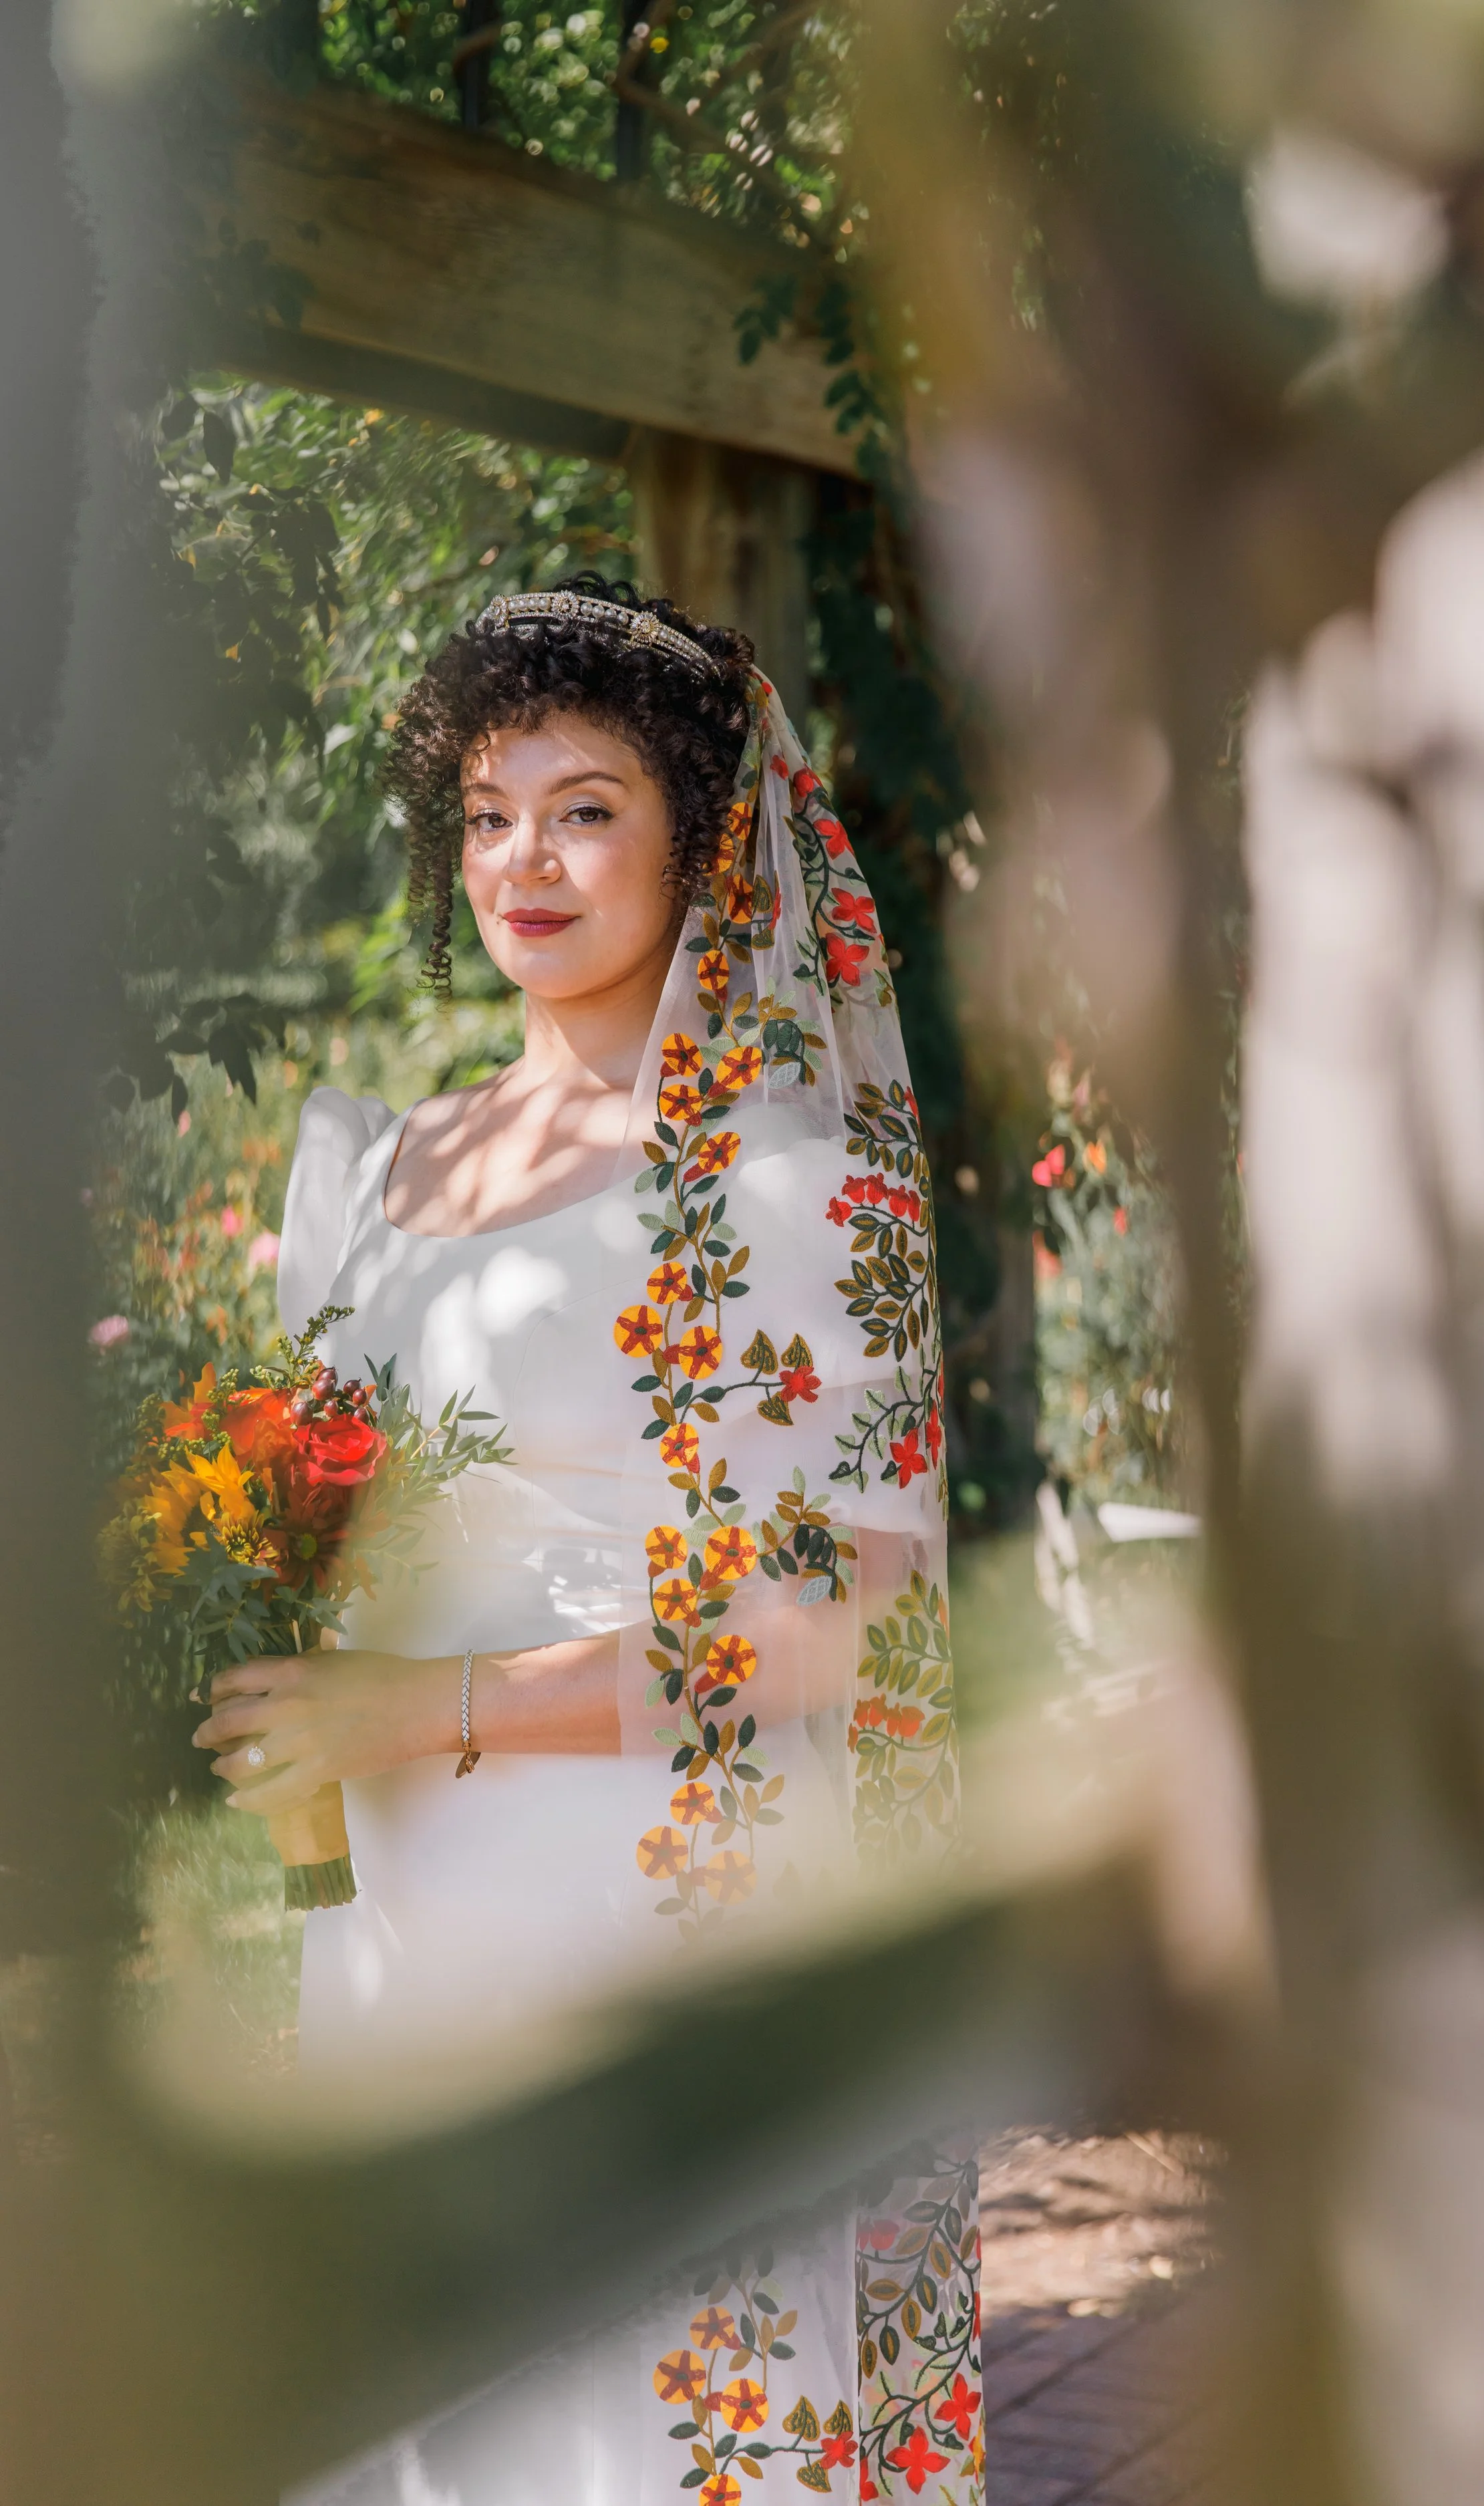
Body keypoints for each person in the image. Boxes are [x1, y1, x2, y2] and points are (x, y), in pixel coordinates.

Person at [188, 577, 983, 2504]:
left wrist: (424, 1707)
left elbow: (830, 1631)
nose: (520, 859)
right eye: (484, 809)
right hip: (385, 1908)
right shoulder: (377, 1162)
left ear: (701, 838)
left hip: (633, 1886)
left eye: (584, 804)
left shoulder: (793, 1178)